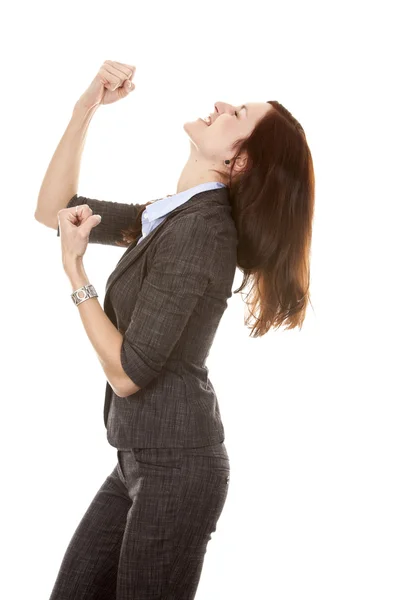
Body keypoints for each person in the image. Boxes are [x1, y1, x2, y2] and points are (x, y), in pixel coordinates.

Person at [35, 60, 315, 599]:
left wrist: (76, 274)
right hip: (137, 461)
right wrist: (84, 110)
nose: (220, 107)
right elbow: (55, 211)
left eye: (236, 114)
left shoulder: (203, 232)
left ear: (239, 160)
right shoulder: (168, 217)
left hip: (177, 470)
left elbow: (128, 374)